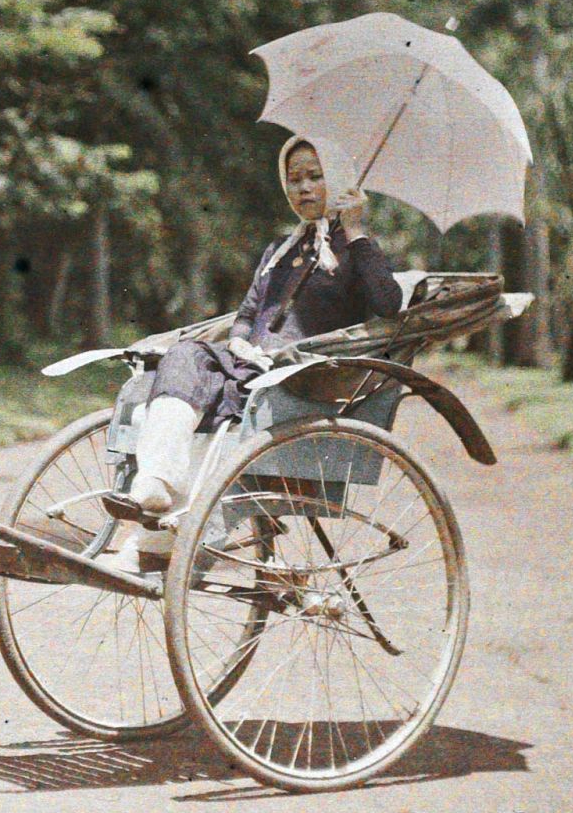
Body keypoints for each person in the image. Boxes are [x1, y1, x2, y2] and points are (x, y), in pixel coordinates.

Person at [125, 135, 403, 532]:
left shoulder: (355, 250)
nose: (303, 187)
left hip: (300, 376)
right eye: (294, 179)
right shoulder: (280, 250)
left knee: (225, 392)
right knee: (184, 356)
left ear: (341, 183)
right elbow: (249, 312)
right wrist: (239, 338)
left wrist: (356, 230)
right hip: (247, 367)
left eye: (316, 176)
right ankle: (157, 484)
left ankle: (176, 533)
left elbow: (389, 304)